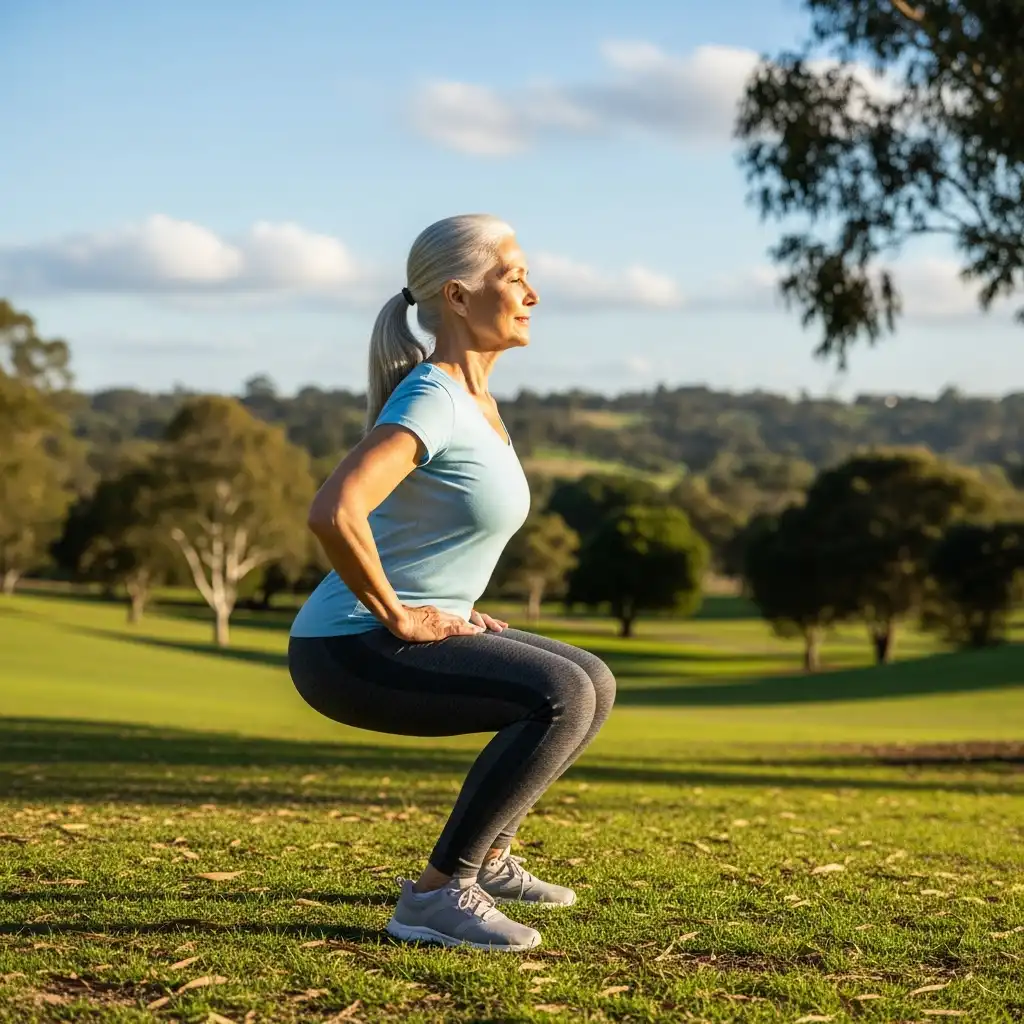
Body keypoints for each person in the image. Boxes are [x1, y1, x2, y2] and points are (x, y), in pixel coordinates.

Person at [288, 213, 616, 952]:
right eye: (514, 276)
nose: (532, 293)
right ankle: (438, 895)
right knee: (558, 696)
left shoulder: (475, 403)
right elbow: (334, 510)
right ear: (460, 297)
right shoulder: (431, 395)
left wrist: (452, 603)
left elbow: (431, 533)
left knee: (591, 678)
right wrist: (402, 616)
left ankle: (490, 859)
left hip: (386, 630)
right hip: (348, 647)